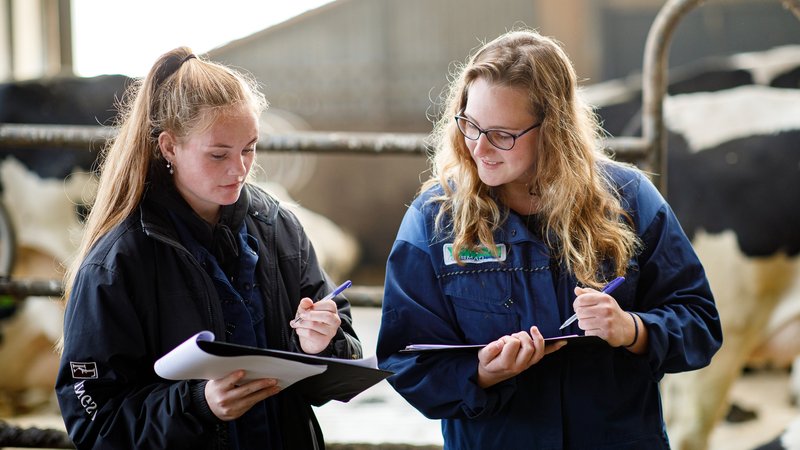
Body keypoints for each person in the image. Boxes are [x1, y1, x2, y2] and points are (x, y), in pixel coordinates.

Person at [376, 29, 722, 449]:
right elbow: (403, 359)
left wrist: (631, 329)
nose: (479, 148)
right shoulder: (434, 218)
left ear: (553, 129)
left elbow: (700, 322)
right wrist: (484, 373)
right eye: (469, 125)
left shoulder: (629, 199)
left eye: (502, 134)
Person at [55, 47, 361, 450]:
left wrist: (321, 343)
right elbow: (93, 422)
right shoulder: (116, 263)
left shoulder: (279, 227)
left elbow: (344, 356)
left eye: (249, 148)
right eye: (218, 154)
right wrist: (198, 404)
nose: (239, 169)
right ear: (169, 148)